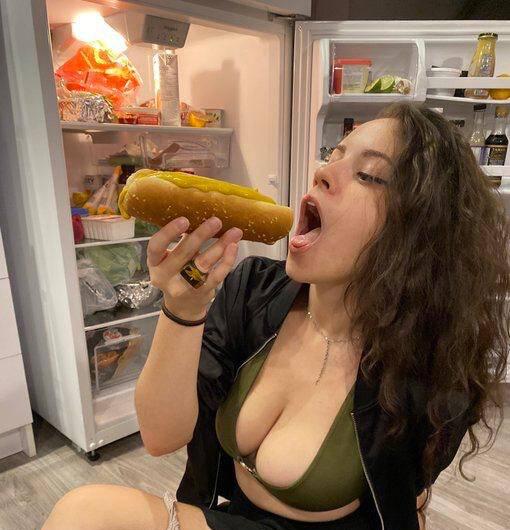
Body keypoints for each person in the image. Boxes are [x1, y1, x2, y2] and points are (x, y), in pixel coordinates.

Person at [42, 102, 509, 530]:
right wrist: (183, 308)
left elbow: (411, 503)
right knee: (83, 513)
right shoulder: (253, 291)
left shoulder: (432, 362)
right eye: (333, 155)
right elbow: (161, 436)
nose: (323, 172)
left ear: (417, 232)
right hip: (232, 516)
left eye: (368, 174)